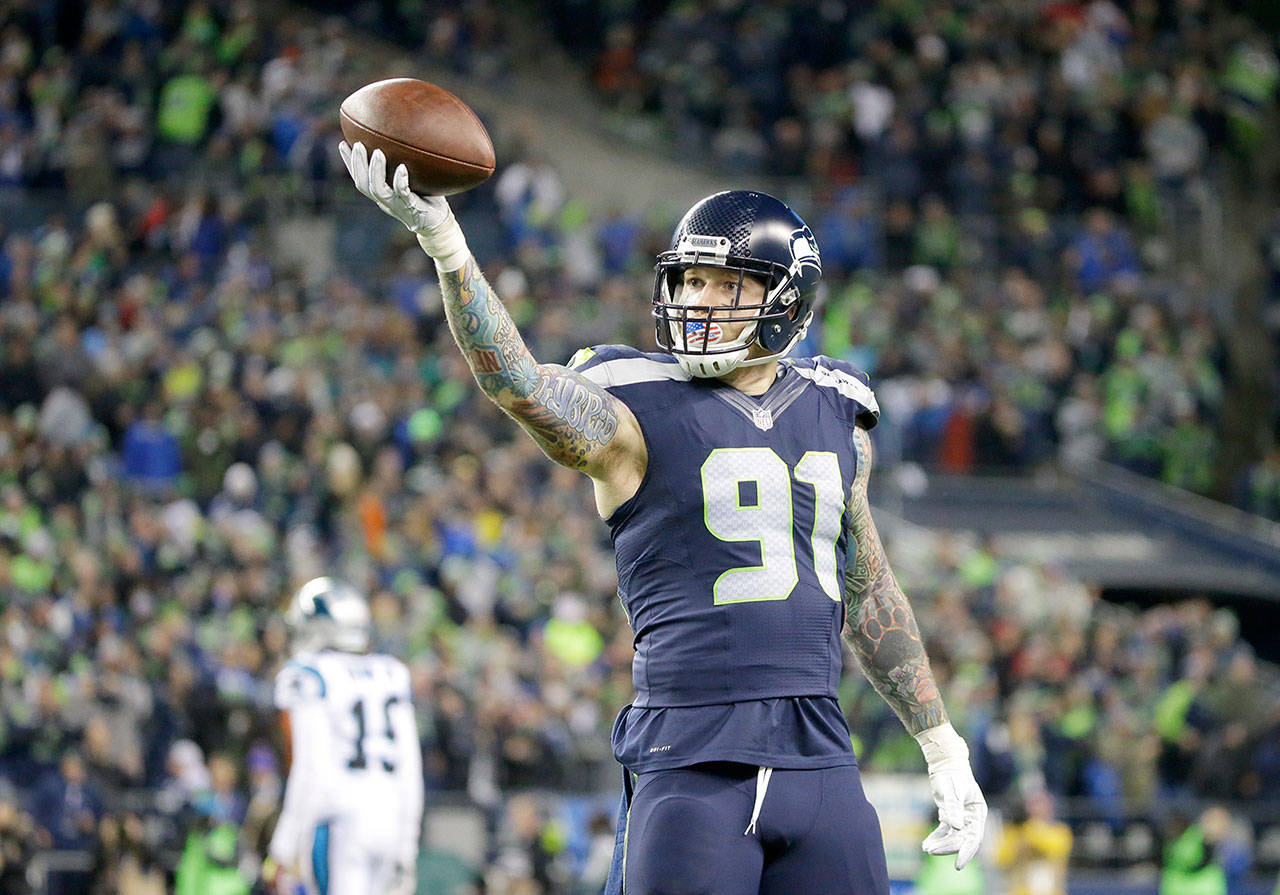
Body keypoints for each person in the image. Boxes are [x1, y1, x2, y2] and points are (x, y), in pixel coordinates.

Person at [339, 141, 987, 894]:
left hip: (821, 756)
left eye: (725, 283)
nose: (699, 300)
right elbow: (518, 382)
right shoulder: (634, 403)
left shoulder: (837, 407)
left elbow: (867, 588)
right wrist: (446, 244)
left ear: (786, 301)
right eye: (692, 279)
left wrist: (941, 746)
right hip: (692, 755)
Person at [266, 577, 424, 895]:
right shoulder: (391, 673)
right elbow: (410, 768)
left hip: (340, 818)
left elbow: (312, 768)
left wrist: (284, 843)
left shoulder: (311, 673)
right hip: (390, 817)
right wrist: (408, 843)